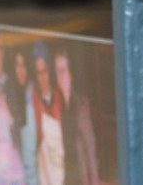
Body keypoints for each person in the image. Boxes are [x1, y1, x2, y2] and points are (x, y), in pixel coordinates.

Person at [54, 47, 99, 185]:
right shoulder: (56, 102)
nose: (61, 75)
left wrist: (94, 182)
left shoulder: (80, 106)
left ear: (71, 73)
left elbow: (90, 150)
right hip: (64, 176)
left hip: (81, 178)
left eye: (64, 70)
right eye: (57, 71)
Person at [0, 34, 27, 185]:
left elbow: (19, 120)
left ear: (2, 53)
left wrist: (8, 114)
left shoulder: (10, 83)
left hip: (11, 153)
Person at [31, 42, 65, 185]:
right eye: (39, 73)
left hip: (61, 165)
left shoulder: (59, 96)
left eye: (44, 71)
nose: (42, 77)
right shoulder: (34, 99)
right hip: (45, 168)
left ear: (49, 71)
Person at [9, 49, 40, 185]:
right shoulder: (11, 93)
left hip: (36, 169)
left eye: (23, 65)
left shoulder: (34, 90)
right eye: (17, 65)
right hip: (19, 169)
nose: (21, 70)